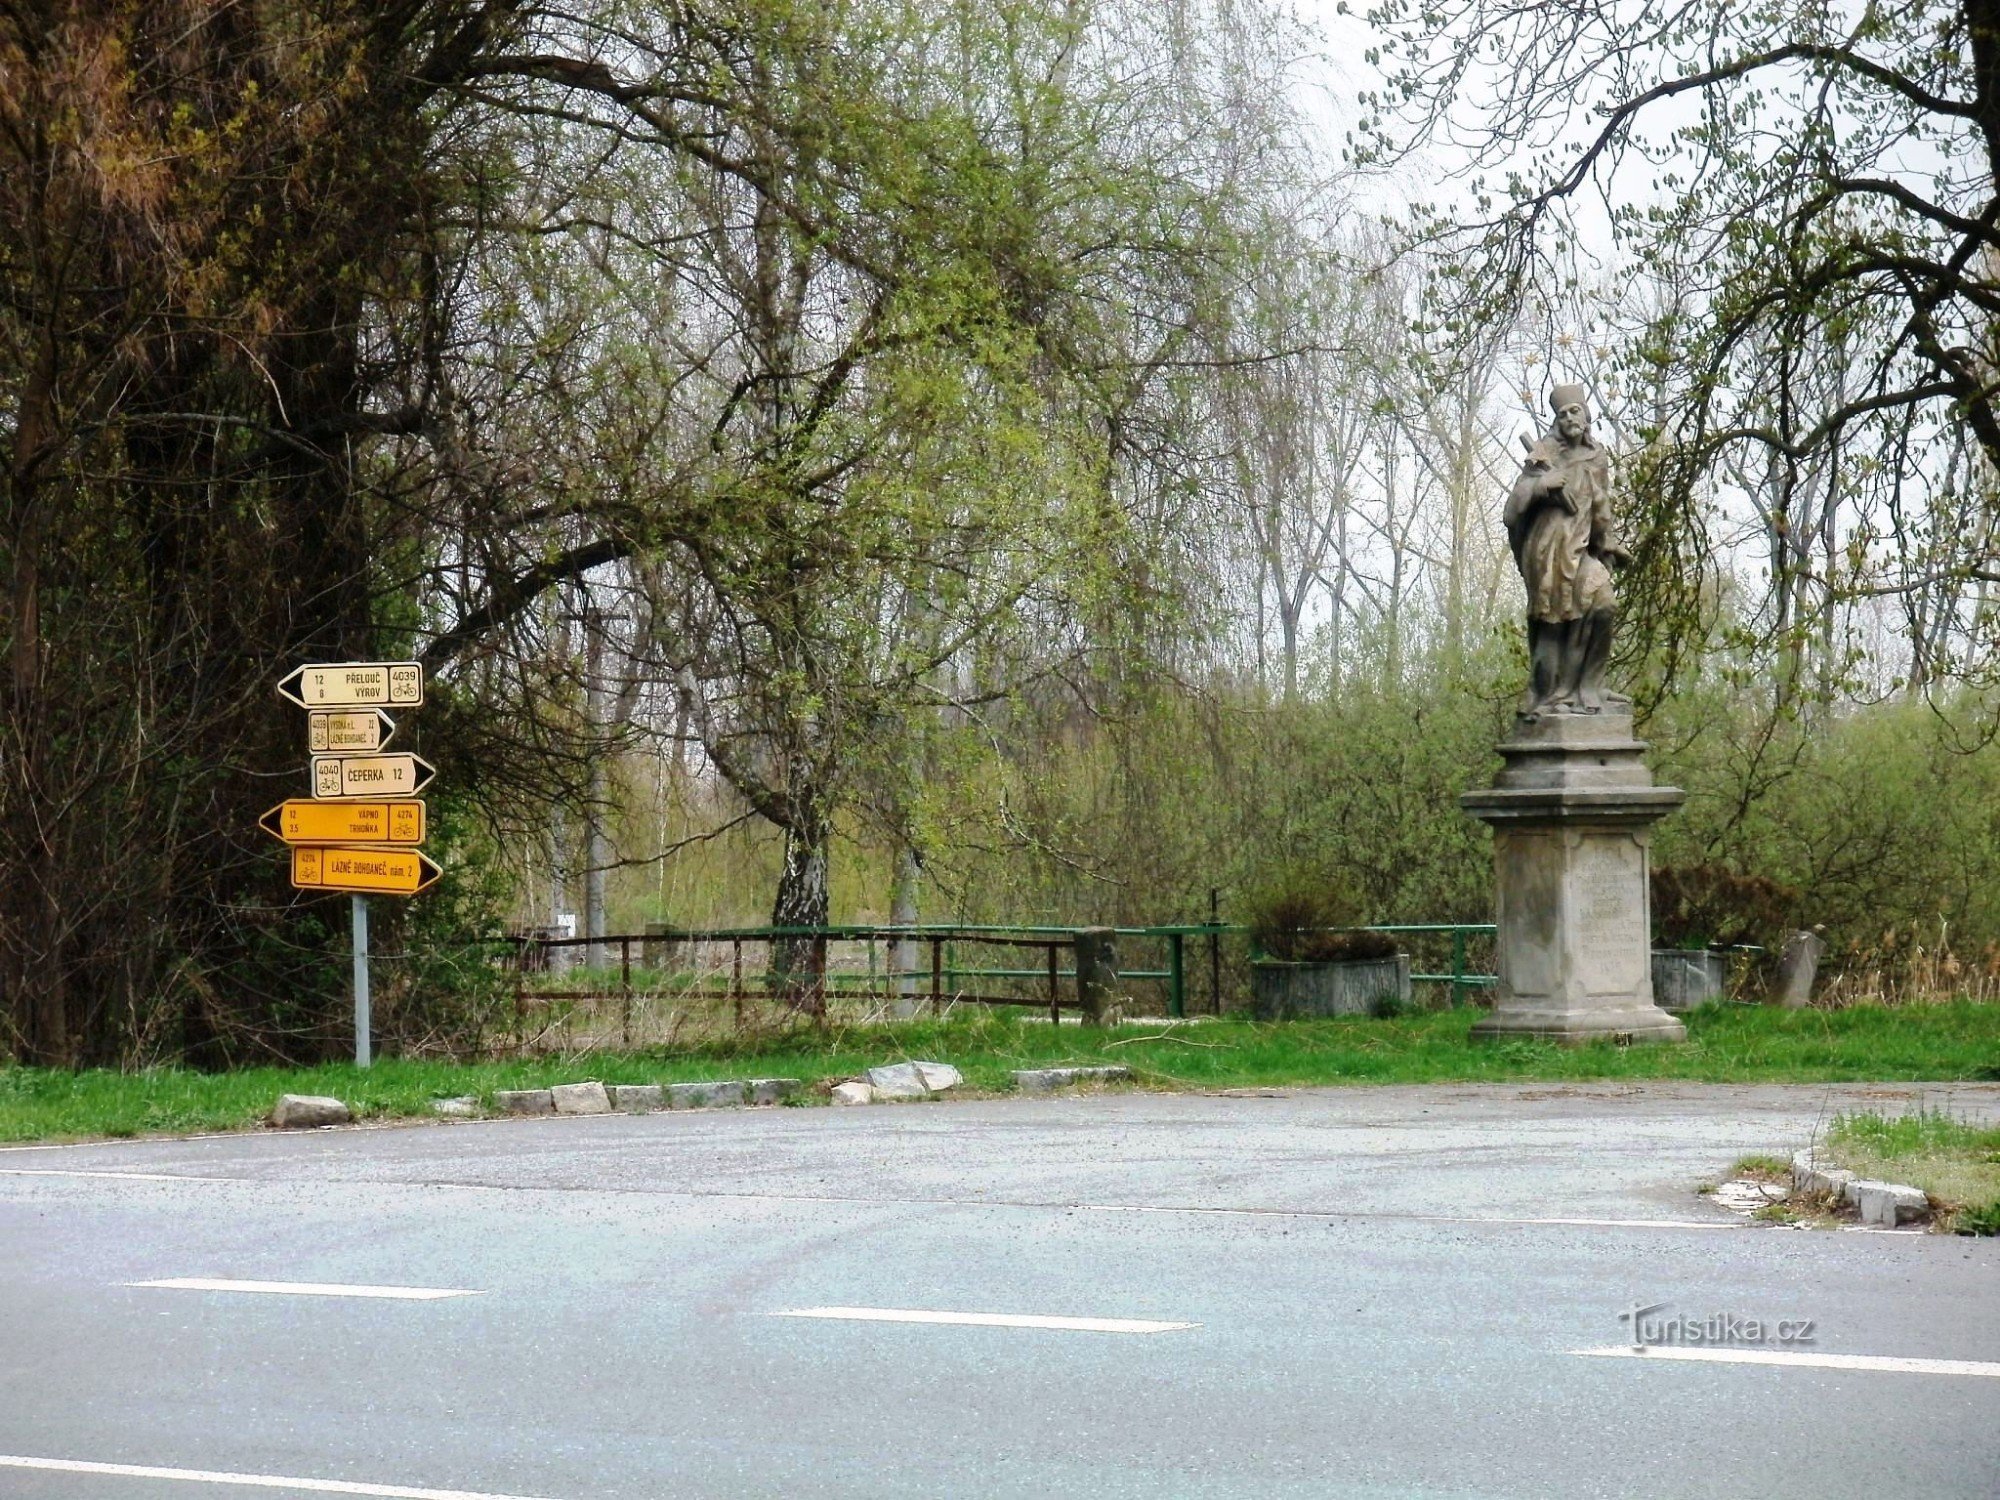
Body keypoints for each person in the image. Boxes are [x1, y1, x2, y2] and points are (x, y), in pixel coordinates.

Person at [1503, 384, 1630, 717]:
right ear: (1557, 421)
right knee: (1553, 627)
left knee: (1603, 605)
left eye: (1575, 410)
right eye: (1562, 413)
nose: (1569, 417)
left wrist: (1609, 543)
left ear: (1586, 415)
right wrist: (1541, 485)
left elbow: (1599, 503)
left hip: (1582, 550)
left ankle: (1589, 687)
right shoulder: (1543, 454)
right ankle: (1549, 696)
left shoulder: (1596, 455)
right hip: (1548, 556)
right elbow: (1512, 511)